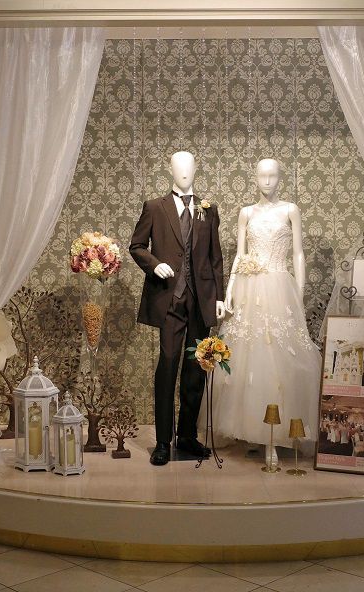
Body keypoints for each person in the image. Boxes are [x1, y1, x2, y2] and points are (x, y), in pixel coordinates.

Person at [204, 158, 321, 468]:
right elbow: (241, 254)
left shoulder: (290, 210)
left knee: (282, 359)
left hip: (279, 285)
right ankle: (253, 434)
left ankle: (276, 436)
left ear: (280, 177)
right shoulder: (246, 213)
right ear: (254, 177)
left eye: (273, 175)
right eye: (262, 175)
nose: (268, 180)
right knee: (247, 362)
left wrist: (299, 290)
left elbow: (298, 252)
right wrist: (228, 291)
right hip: (249, 288)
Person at [129, 151, 226, 466]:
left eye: (189, 166)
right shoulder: (155, 208)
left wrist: (220, 298)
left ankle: (186, 436)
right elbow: (137, 246)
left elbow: (215, 258)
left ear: (196, 169)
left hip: (200, 301)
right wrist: (154, 265)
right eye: (178, 166)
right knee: (168, 366)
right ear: (169, 169)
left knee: (196, 369)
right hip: (170, 300)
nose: (184, 172)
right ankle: (162, 441)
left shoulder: (208, 210)